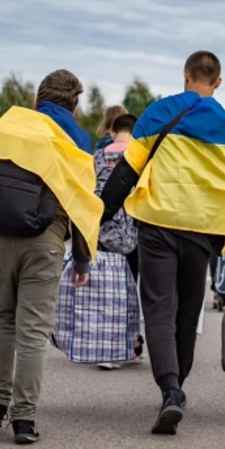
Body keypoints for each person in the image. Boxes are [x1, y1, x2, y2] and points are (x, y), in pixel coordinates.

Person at [100, 50, 225, 435]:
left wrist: (98, 218)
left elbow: (127, 171)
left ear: (186, 75)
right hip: (201, 230)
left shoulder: (159, 112)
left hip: (157, 224)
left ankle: (170, 389)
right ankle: (178, 386)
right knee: (188, 312)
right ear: (217, 82)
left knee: (159, 307)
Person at [0, 69, 104, 444]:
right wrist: (82, 258)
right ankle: (23, 419)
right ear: (74, 106)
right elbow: (82, 201)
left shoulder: (5, 126)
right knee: (33, 331)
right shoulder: (75, 138)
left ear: (37, 101)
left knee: (2, 319)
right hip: (44, 238)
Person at [93, 112, 144, 370]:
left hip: (102, 231)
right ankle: (130, 345)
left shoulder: (97, 157)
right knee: (129, 290)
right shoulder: (140, 157)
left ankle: (105, 348)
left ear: (112, 131)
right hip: (134, 233)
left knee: (103, 290)